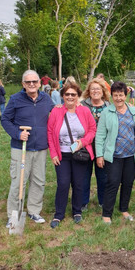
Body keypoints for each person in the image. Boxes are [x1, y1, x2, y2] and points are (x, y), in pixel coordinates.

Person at [1, 70, 54, 228]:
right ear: (23, 84)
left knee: (39, 181)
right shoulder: (16, 99)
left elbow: (56, 112)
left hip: (41, 148)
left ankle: (34, 211)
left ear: (40, 83)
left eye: (34, 81)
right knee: (19, 182)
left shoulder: (46, 98)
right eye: (28, 82)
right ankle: (13, 215)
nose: (32, 84)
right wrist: (17, 133)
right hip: (21, 148)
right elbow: (5, 119)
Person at [95, 81, 135, 224]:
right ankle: (106, 213)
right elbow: (100, 135)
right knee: (112, 182)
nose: (118, 98)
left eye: (121, 95)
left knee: (128, 182)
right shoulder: (107, 112)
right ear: (111, 96)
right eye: (115, 95)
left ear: (126, 95)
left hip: (131, 155)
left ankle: (124, 209)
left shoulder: (134, 111)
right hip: (114, 156)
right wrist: (99, 155)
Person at [47, 82, 96, 228]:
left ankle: (77, 211)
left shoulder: (85, 111)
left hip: (79, 153)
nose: (70, 97)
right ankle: (59, 214)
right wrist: (53, 153)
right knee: (63, 183)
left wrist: (83, 141)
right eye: (67, 94)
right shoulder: (56, 112)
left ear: (77, 96)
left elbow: (92, 129)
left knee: (78, 183)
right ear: (62, 96)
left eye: (73, 94)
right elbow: (49, 132)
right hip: (62, 154)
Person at [81, 78, 110, 210]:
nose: (95, 91)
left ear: (103, 91)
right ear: (89, 91)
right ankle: (83, 202)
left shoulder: (109, 106)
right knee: (84, 175)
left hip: (103, 146)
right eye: (92, 89)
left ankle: (103, 201)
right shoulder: (82, 105)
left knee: (103, 175)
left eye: (98, 89)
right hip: (86, 146)